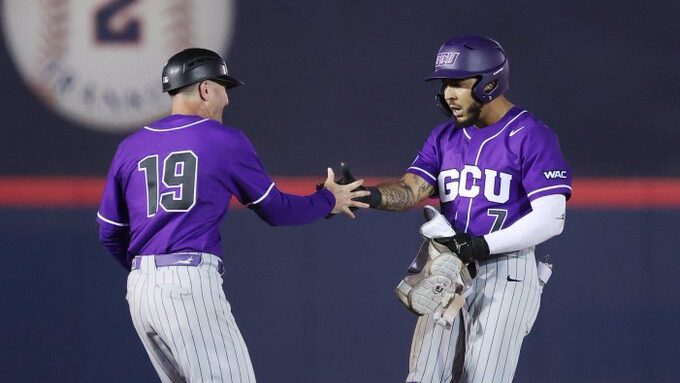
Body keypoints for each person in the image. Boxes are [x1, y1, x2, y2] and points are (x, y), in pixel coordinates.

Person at [96, 47, 369, 383]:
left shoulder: (130, 147)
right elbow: (277, 211)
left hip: (140, 291)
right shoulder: (222, 140)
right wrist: (328, 199)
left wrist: (150, 271)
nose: (227, 99)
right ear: (204, 88)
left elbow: (109, 231)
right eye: (223, 87)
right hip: (187, 285)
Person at [355, 35, 572, 383]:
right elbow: (411, 190)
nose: (448, 94)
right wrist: (367, 196)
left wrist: (480, 245)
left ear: (490, 83)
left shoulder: (531, 135)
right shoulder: (444, 137)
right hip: (450, 269)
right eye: (444, 84)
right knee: (423, 377)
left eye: (457, 83)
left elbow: (551, 219)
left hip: (507, 271)